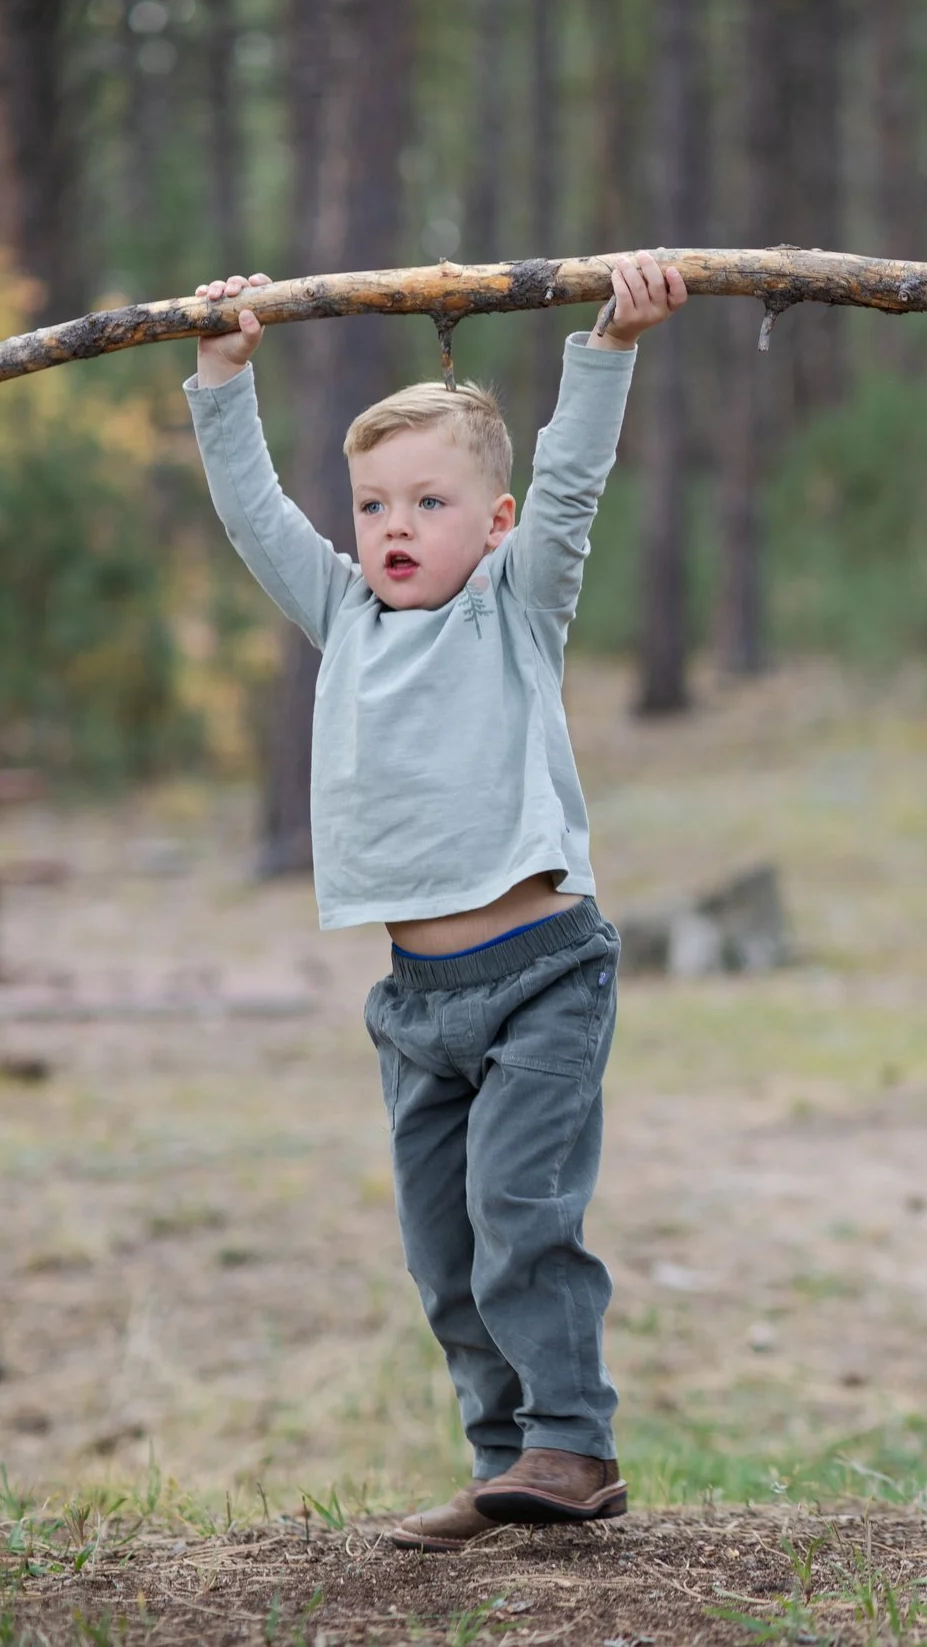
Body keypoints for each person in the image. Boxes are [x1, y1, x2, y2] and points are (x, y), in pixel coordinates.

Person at [183, 255, 685, 1553]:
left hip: (540, 976)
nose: (392, 524)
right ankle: (504, 1455)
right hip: (416, 1004)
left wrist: (609, 346)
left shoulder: (518, 609)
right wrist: (223, 379)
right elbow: (253, 515)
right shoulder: (345, 616)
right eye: (371, 502)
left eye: (427, 499)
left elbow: (574, 484)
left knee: (525, 1213)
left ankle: (573, 1440)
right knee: (447, 1252)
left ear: (495, 519)